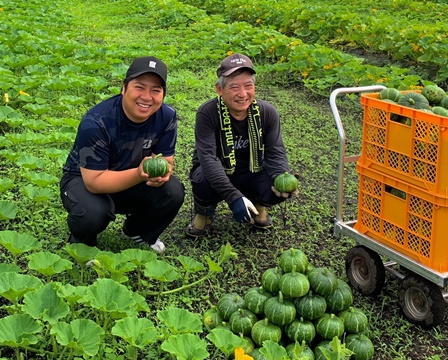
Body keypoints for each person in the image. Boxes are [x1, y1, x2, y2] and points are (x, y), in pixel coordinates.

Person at [60, 56, 185, 253]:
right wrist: (139, 174)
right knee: (92, 212)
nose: (147, 97)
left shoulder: (167, 116)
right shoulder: (96, 121)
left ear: (163, 94)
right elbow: (94, 181)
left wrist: (163, 173)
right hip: (84, 180)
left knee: (173, 191)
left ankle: (138, 231)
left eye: (156, 90)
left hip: (131, 176)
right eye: (140, 87)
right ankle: (82, 244)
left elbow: (166, 160)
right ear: (124, 87)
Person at [186, 53, 297, 238]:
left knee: (279, 182)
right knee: (202, 179)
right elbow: (208, 159)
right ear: (220, 89)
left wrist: (281, 178)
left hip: (252, 171)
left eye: (248, 86)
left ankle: (258, 206)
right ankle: (204, 213)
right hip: (217, 171)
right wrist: (233, 196)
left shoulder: (267, 113)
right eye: (234, 87)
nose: (243, 94)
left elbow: (275, 152)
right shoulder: (208, 113)